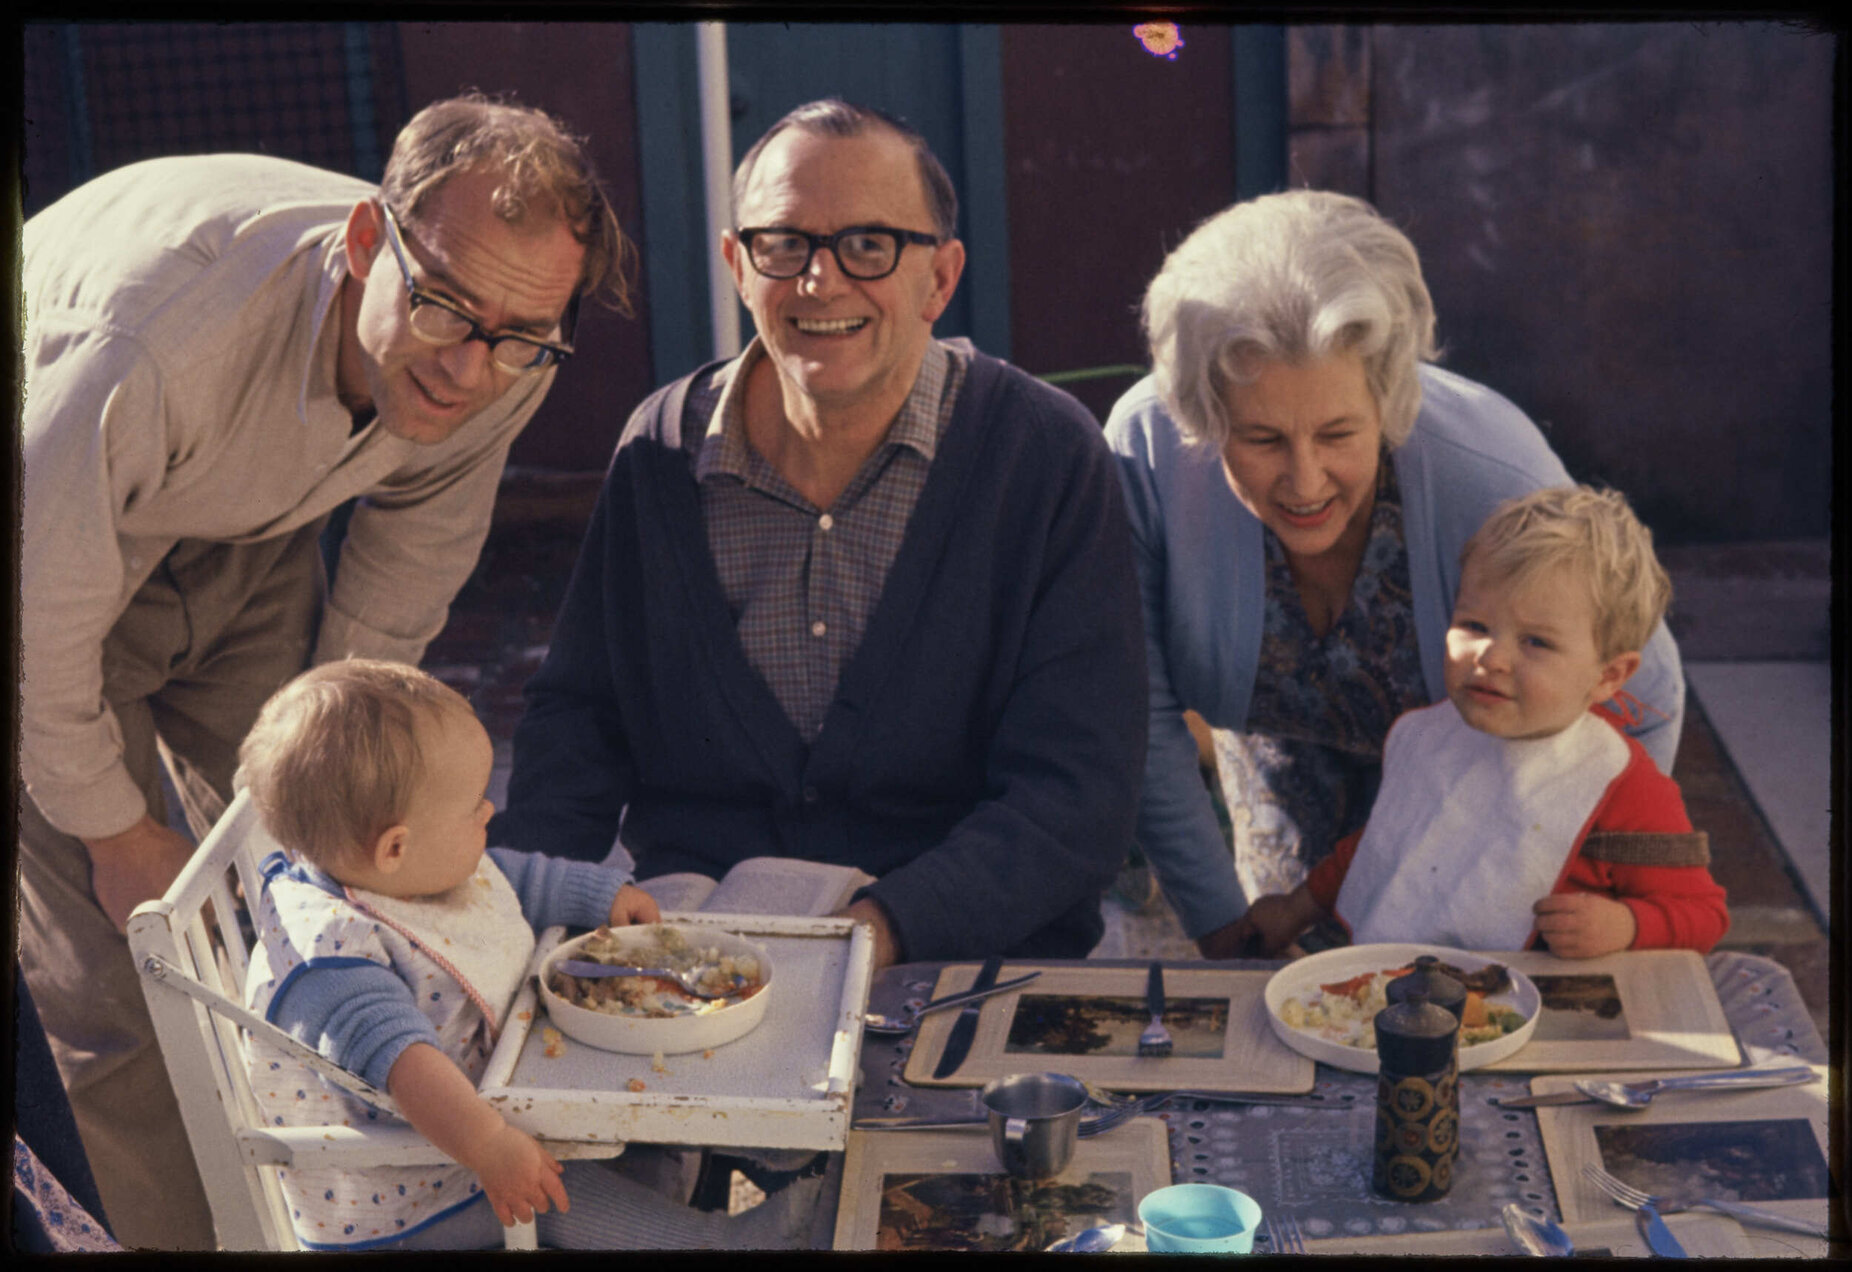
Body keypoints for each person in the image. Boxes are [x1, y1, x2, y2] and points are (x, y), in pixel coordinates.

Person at [18, 93, 634, 1249]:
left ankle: (333, 1201)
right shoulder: (150, 343)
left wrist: (343, 791)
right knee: (122, 976)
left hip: (247, 536)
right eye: (445, 306)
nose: (472, 367)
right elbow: (32, 615)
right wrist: (111, 832)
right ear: (366, 243)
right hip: (45, 545)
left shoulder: (509, 345)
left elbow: (402, 577)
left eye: (519, 333)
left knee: (313, 873)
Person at [493, 99, 1147, 970]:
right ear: (736, 263)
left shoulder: (1046, 456)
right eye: (784, 244)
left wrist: (874, 934)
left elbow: (1079, 798)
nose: (820, 281)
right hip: (702, 970)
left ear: (941, 279)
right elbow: (578, 723)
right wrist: (511, 931)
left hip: (966, 966)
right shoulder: (660, 451)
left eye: (869, 246)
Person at [1104, 190, 1686, 959]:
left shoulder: (1493, 476)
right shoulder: (1145, 453)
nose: (1305, 481)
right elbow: (1137, 711)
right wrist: (1225, 929)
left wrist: (1572, 858)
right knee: (1303, 1015)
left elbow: (1645, 696)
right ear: (1206, 417)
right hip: (1282, 772)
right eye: (1263, 439)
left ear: (1389, 393)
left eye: (1339, 433)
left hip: (1478, 783)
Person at [236, 660, 661, 1249]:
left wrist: (599, 894)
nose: (490, 812)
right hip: (416, 1184)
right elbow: (406, 1065)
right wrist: (490, 1146)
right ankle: (730, 1243)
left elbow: (499, 880)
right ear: (395, 847)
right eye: (475, 806)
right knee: (569, 1191)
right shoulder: (330, 959)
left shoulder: (401, 871)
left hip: (476, 1115)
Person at [1233, 487, 1728, 957]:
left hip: (1537, 1018)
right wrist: (1295, 910)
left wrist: (1626, 927)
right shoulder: (1434, 735)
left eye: (1536, 642)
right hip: (1389, 996)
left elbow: (1703, 915)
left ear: (1609, 675)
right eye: (1474, 625)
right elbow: (1381, 850)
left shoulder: (1621, 786)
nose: (1490, 657)